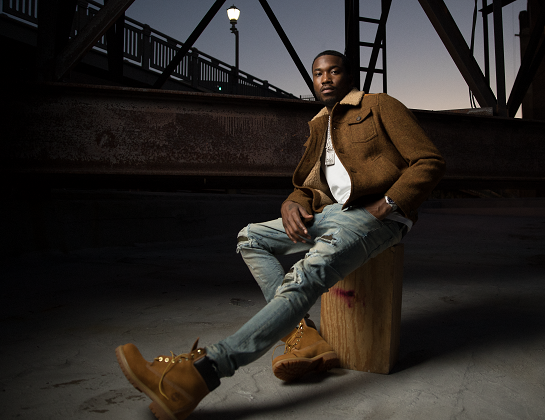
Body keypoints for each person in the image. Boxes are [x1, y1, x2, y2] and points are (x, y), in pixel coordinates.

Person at [115, 50, 445, 420]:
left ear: (349, 77)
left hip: (374, 217)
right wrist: (291, 204)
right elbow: (306, 187)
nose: (325, 79)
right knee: (250, 237)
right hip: (330, 214)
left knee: (304, 276)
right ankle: (304, 336)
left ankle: (199, 375)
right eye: (318, 73)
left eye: (334, 71)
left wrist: (388, 204)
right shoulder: (319, 125)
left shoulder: (379, 105)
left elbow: (429, 160)